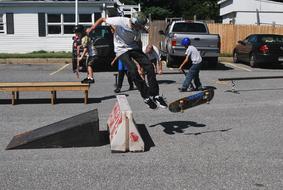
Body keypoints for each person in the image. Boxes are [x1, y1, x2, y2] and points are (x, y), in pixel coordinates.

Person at [87, 12, 167, 109]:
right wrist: (92, 28)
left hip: (132, 47)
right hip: (121, 50)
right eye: (139, 26)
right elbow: (102, 19)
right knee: (132, 70)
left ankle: (155, 95)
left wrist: (141, 58)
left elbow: (139, 41)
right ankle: (146, 96)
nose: (140, 28)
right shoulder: (120, 21)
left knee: (149, 66)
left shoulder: (139, 28)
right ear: (134, 23)